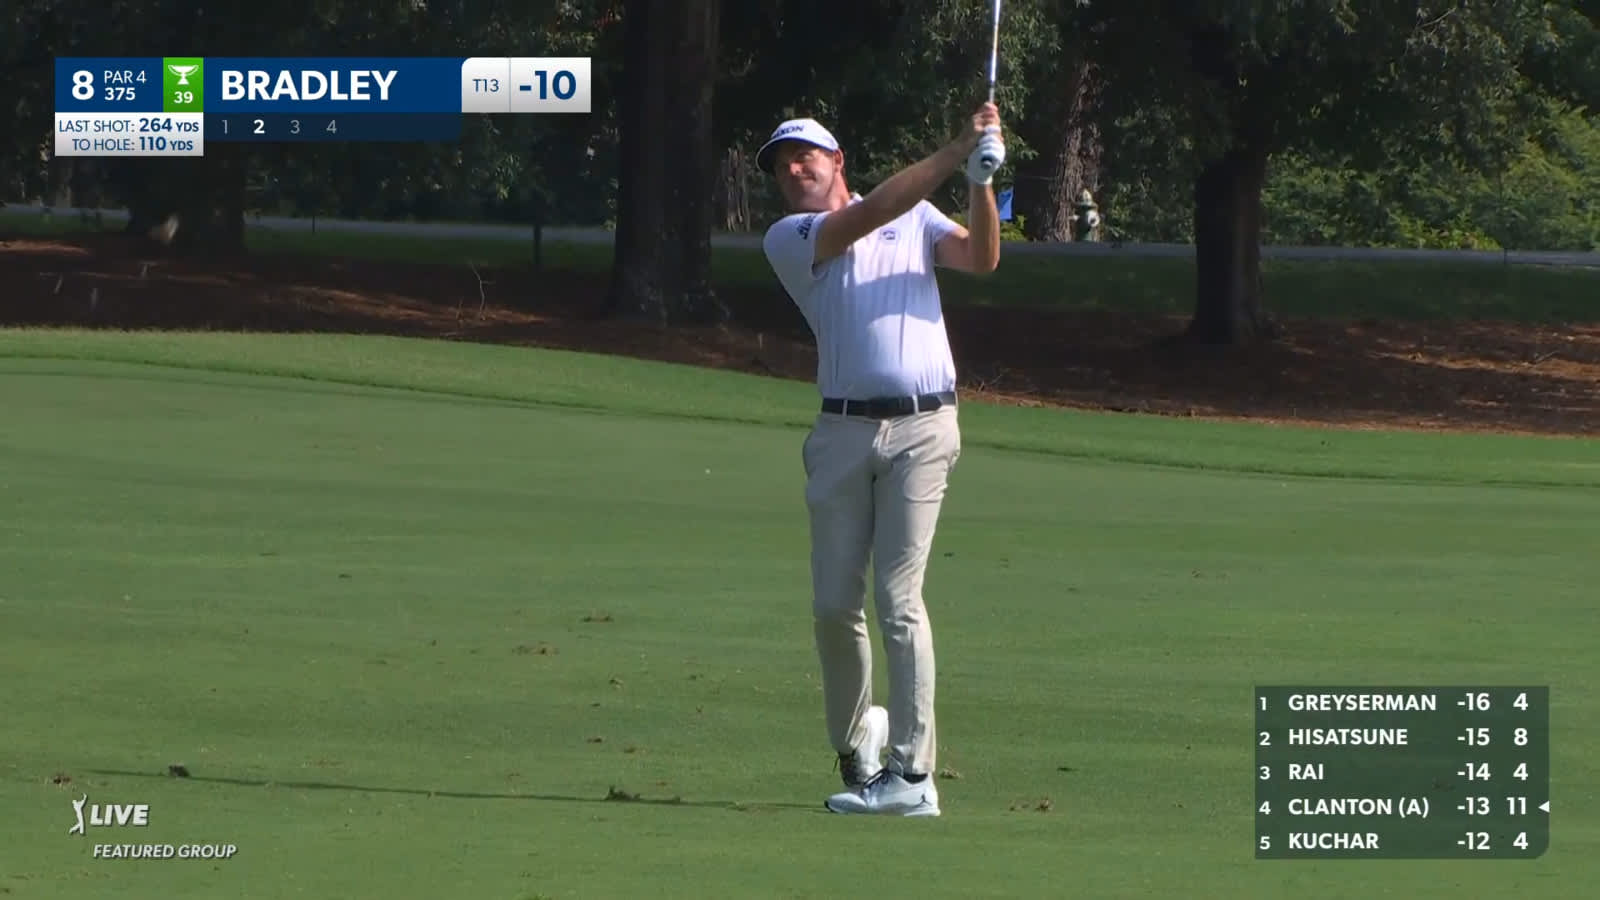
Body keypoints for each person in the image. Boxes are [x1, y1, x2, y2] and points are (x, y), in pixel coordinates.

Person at [755, 102, 1006, 816]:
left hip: (926, 429)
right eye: (781, 164)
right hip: (840, 435)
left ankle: (914, 776)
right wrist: (958, 148)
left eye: (806, 155)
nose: (794, 168)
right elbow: (863, 220)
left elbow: (982, 258)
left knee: (898, 602)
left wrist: (982, 181)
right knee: (835, 606)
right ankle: (858, 738)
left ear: (839, 162)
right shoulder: (792, 237)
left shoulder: (916, 215)